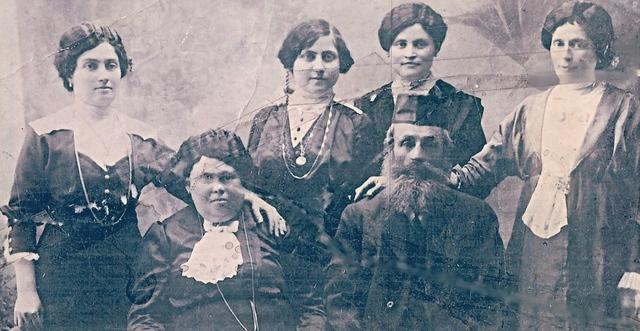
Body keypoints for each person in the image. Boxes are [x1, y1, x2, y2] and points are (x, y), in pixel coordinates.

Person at [2, 22, 283, 331]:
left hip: (127, 268)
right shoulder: (45, 135)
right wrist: (26, 292)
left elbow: (190, 178)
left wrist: (249, 196)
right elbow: (22, 215)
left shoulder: (141, 138)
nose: (103, 75)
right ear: (70, 74)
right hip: (63, 272)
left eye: (111, 65)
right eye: (90, 66)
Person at [451, 2, 640, 328]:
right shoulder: (530, 109)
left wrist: (636, 265)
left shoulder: (624, 109)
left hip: (599, 245)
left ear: (599, 49)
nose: (567, 54)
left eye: (578, 43)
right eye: (559, 43)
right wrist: (416, 180)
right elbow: (481, 170)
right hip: (534, 248)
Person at [325, 95, 504, 330]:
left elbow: (492, 305)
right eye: (407, 143)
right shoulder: (359, 216)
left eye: (429, 144)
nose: (418, 155)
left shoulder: (477, 216)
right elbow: (339, 303)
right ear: (391, 150)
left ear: (445, 153)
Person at [247, 19, 377, 325]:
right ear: (291, 62)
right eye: (308, 56)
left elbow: (362, 200)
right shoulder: (265, 119)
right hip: (268, 247)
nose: (318, 66)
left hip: (330, 254)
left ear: (340, 64)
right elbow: (250, 184)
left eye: (328, 57)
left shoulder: (356, 123)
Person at [128, 129, 324, 331]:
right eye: (206, 177)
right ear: (188, 185)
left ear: (243, 183)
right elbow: (146, 318)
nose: (217, 187)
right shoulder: (165, 236)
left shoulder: (272, 225)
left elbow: (310, 307)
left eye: (227, 177)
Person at [354, 2, 487, 199]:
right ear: (388, 50)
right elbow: (356, 174)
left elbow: (480, 180)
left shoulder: (462, 105)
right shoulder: (367, 106)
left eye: (420, 44)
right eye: (401, 44)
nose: (410, 54)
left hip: (441, 210)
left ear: (436, 49)